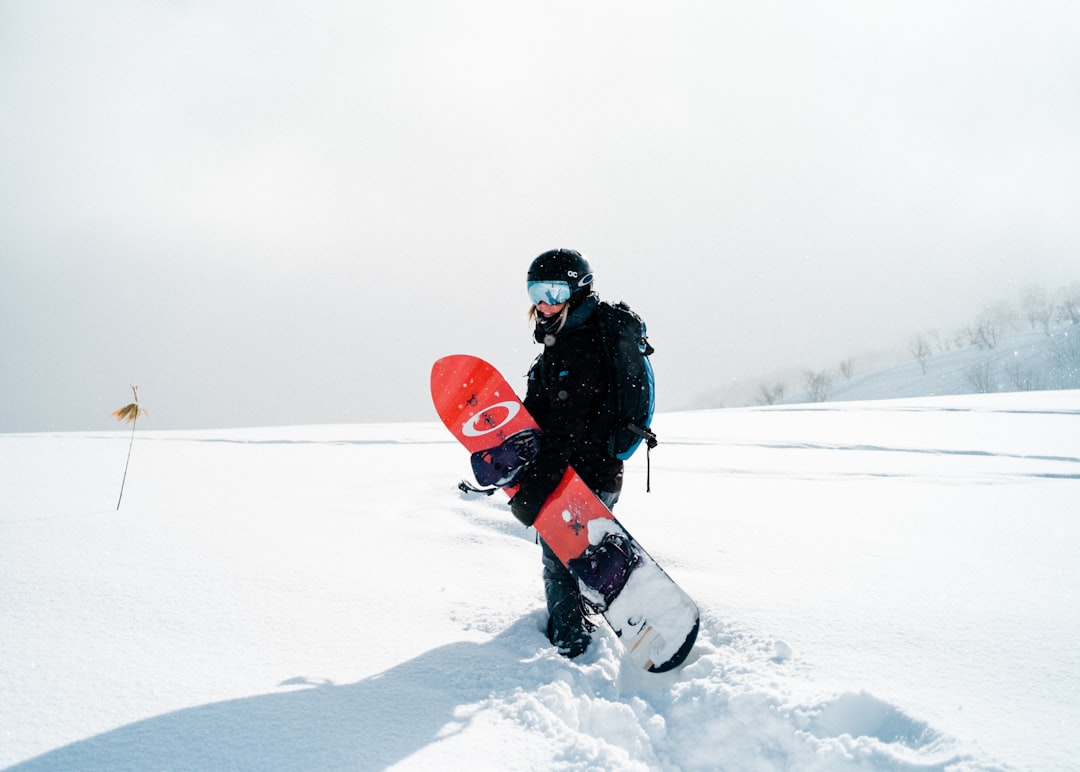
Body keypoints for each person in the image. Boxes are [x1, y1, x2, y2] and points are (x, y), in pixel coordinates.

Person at [509, 248, 623, 659]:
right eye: (536, 290)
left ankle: (571, 648)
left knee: (559, 564)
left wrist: (535, 490)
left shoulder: (578, 348)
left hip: (581, 477)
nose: (544, 302)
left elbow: (564, 433)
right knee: (575, 556)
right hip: (594, 473)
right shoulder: (570, 338)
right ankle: (584, 613)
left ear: (578, 292)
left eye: (555, 291)